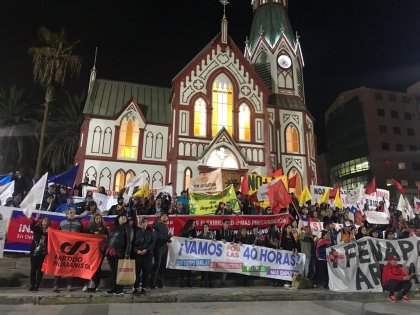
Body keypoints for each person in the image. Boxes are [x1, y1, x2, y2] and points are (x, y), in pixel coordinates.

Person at [52, 207, 84, 292]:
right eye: (70, 212)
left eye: (74, 212)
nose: (72, 214)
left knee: (71, 266)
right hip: (62, 248)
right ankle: (56, 285)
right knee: (59, 266)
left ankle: (69, 284)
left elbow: (83, 234)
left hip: (74, 248)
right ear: (67, 213)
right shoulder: (62, 223)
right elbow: (57, 234)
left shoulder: (79, 223)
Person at [105, 214, 133, 295]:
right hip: (111, 253)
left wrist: (127, 253)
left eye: (125, 217)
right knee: (113, 272)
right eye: (122, 217)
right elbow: (110, 239)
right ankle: (114, 288)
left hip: (120, 253)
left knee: (120, 272)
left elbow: (129, 241)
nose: (124, 218)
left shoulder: (128, 227)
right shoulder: (114, 228)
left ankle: (119, 289)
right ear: (118, 219)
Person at [84, 213, 109, 292]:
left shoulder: (105, 229)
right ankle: (90, 283)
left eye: (99, 218)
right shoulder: (89, 228)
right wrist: (93, 235)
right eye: (97, 218)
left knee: (98, 268)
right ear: (94, 220)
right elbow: (85, 238)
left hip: (100, 251)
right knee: (90, 267)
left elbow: (107, 239)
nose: (98, 220)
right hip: (91, 252)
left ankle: (97, 284)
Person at [133, 217, 155, 295]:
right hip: (138, 254)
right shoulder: (135, 231)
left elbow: (153, 243)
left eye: (146, 222)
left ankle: (143, 288)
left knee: (146, 272)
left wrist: (147, 250)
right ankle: (135, 287)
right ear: (140, 223)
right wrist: (137, 250)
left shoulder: (150, 232)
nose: (145, 223)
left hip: (147, 255)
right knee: (137, 272)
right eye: (143, 222)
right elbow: (132, 243)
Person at [29, 211, 51, 291]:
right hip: (34, 251)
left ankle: (37, 285)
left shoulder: (50, 231)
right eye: (45, 220)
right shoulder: (37, 228)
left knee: (40, 269)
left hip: (43, 252)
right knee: (33, 269)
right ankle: (32, 284)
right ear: (42, 221)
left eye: (47, 220)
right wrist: (36, 219)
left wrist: (49, 232)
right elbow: (31, 227)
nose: (46, 221)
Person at [150, 212, 171, 289]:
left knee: (162, 266)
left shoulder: (165, 226)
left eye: (166, 216)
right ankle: (152, 283)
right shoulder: (158, 224)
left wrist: (168, 239)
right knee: (157, 265)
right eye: (164, 215)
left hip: (164, 247)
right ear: (161, 217)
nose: (165, 217)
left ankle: (160, 283)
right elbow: (154, 225)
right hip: (158, 247)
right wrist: (157, 218)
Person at [179, 219, 197, 287]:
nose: (194, 225)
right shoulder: (183, 230)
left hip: (191, 251)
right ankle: (182, 282)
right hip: (184, 251)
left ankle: (189, 281)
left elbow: (196, 239)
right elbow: (179, 238)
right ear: (190, 224)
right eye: (193, 223)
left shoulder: (194, 231)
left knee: (189, 267)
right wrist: (187, 238)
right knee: (183, 267)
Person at [216, 219, 234, 286]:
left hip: (227, 252)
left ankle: (223, 281)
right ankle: (218, 280)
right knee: (218, 265)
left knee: (225, 266)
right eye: (226, 223)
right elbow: (216, 239)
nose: (228, 224)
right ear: (223, 223)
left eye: (229, 223)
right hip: (219, 251)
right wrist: (221, 240)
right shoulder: (219, 231)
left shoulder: (231, 231)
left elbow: (232, 240)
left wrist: (232, 242)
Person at [199, 223, 215, 287]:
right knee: (202, 268)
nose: (205, 228)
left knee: (210, 268)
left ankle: (210, 282)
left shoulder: (211, 233)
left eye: (206, 227)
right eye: (204, 227)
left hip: (210, 254)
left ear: (208, 227)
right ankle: (202, 281)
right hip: (203, 254)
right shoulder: (201, 234)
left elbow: (213, 240)